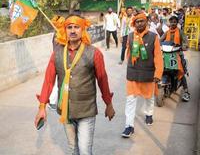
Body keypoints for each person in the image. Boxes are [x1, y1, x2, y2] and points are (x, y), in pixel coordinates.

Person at [34, 15, 115, 154]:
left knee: (84, 150)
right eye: (69, 27)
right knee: (73, 149)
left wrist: (109, 104)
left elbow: (102, 80)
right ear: (64, 30)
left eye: (76, 27)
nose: (72, 31)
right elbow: (48, 81)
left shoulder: (94, 53)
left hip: (86, 111)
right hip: (66, 111)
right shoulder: (57, 53)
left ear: (82, 29)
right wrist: (42, 107)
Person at [121, 13, 163, 138]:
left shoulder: (153, 37)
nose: (139, 23)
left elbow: (158, 57)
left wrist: (158, 73)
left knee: (149, 97)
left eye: (142, 21)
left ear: (146, 22)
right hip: (133, 73)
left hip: (148, 73)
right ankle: (129, 126)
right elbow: (128, 54)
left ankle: (149, 114)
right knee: (130, 100)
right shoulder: (129, 36)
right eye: (137, 22)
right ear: (134, 23)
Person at [160, 15, 190, 102]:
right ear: (169, 23)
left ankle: (186, 91)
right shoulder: (167, 32)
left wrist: (183, 46)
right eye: (171, 22)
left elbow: (185, 41)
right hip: (166, 54)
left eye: (174, 22)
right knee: (160, 67)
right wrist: (157, 44)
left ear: (177, 23)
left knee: (182, 71)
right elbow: (160, 40)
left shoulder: (180, 32)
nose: (173, 23)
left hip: (177, 53)